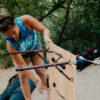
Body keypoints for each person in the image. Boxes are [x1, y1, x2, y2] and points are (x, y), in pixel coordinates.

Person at [0, 15, 52, 100]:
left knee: (40, 71)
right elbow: (23, 65)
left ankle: (50, 95)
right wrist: (36, 82)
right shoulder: (10, 44)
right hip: (20, 52)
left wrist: (46, 36)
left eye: (13, 32)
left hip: (34, 45)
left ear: (15, 23)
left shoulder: (26, 20)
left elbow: (45, 30)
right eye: (8, 35)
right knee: (22, 76)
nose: (13, 36)